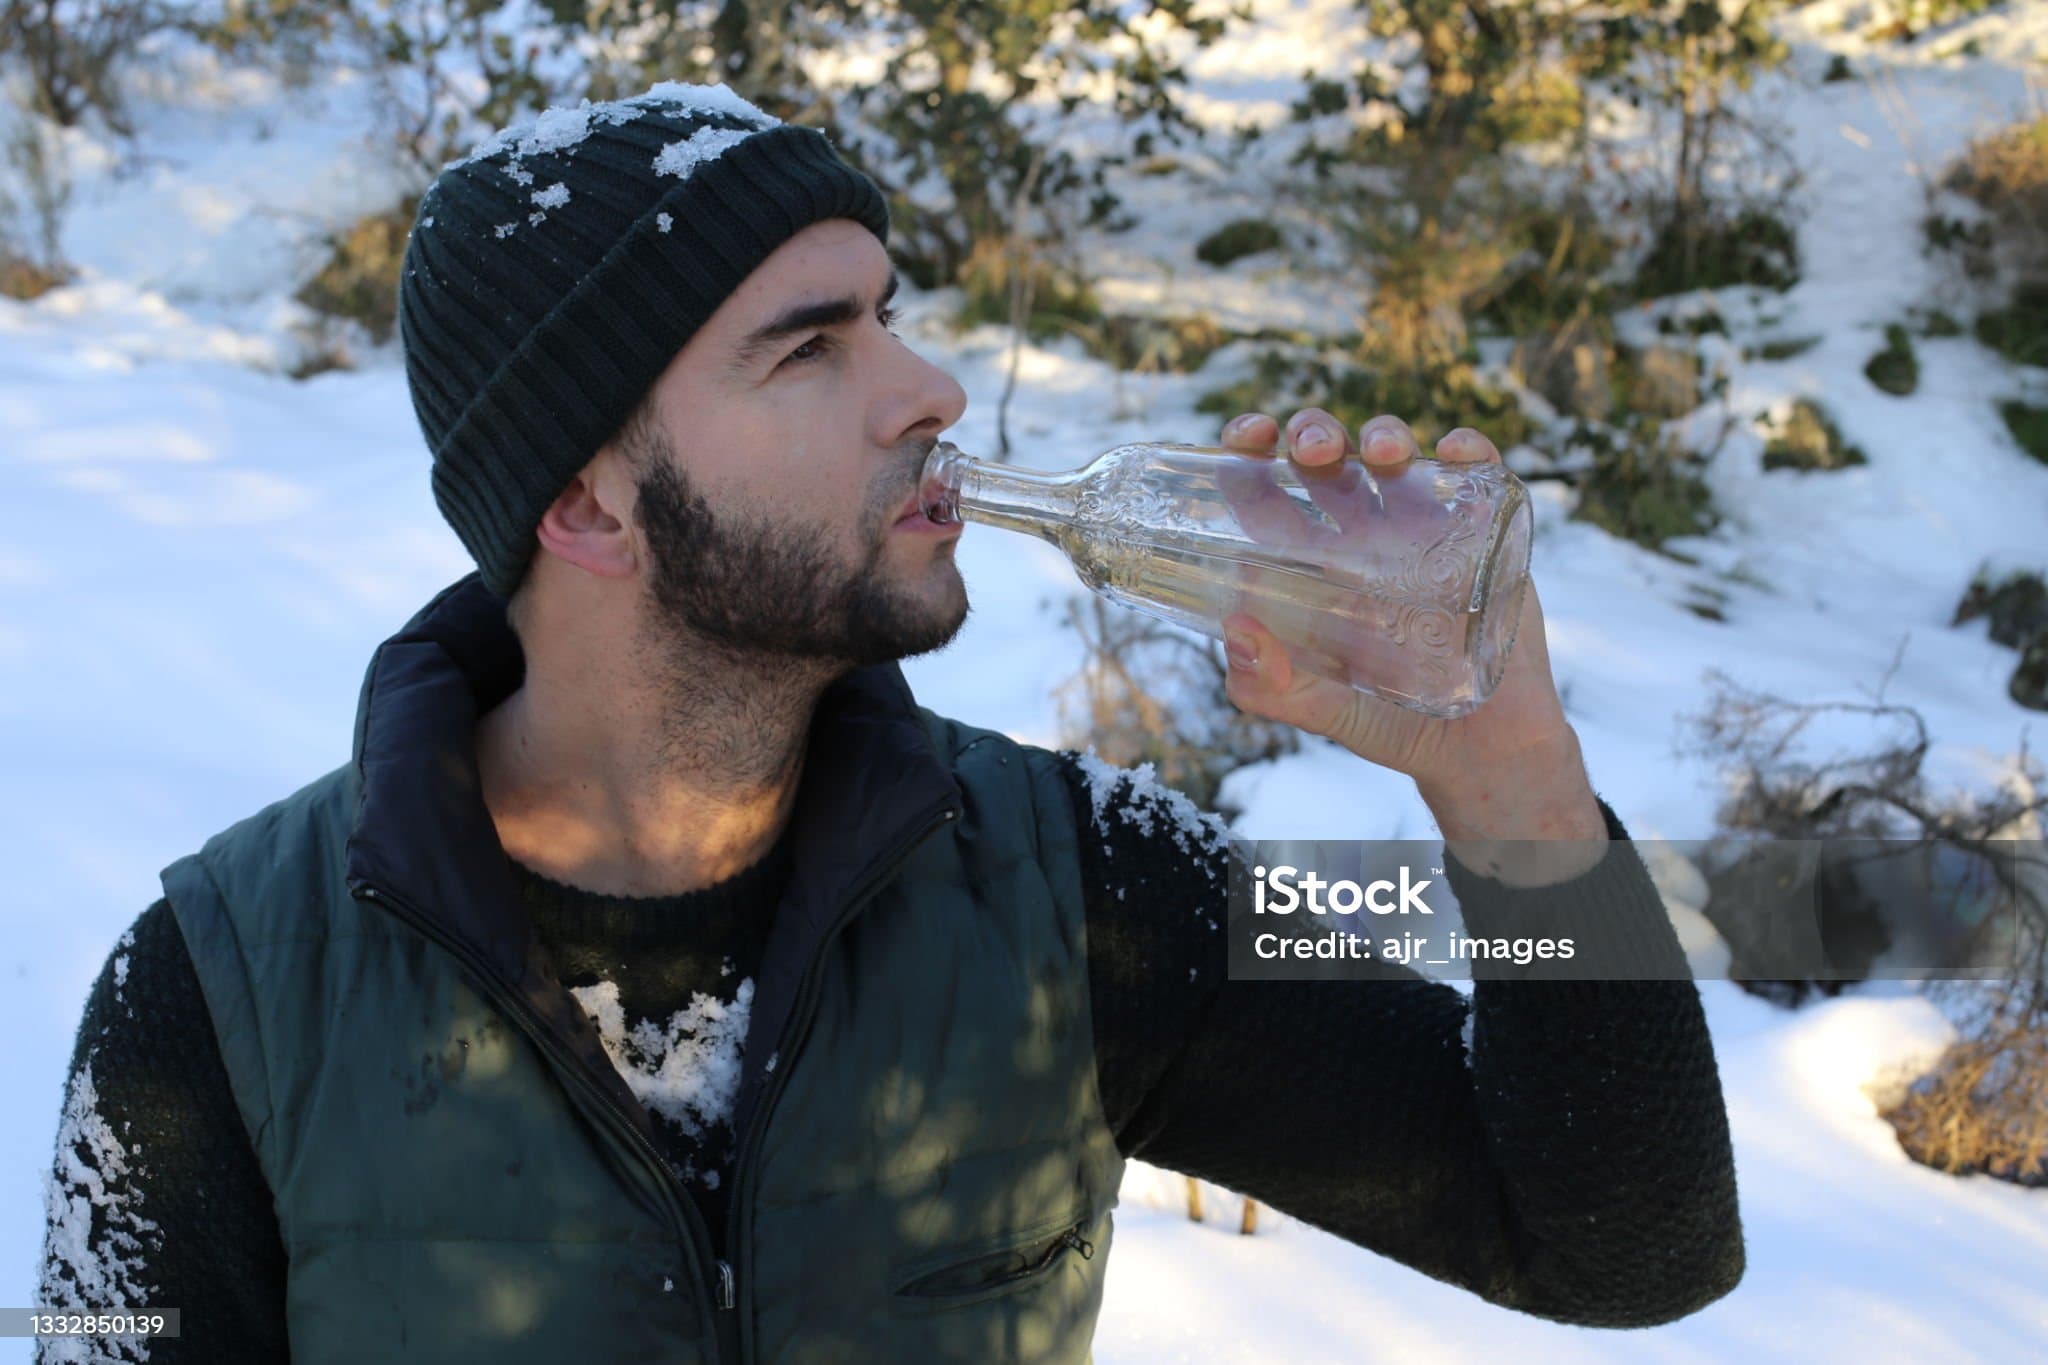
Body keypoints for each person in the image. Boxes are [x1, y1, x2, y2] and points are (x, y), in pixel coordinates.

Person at [35, 81, 1743, 1363]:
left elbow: (1616, 1243)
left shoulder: (1089, 883)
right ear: (584, 508)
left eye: (893, 311)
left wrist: (1516, 792)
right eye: (809, 349)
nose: (926, 388)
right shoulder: (216, 995)